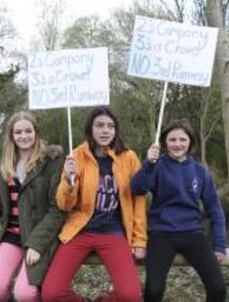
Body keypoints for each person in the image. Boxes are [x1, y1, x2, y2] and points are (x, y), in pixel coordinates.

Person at [42, 106, 147, 302]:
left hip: (113, 232)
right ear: (90, 128)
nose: (105, 130)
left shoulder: (129, 157)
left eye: (110, 126)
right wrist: (69, 180)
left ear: (116, 130)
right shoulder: (77, 155)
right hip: (80, 230)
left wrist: (139, 240)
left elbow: (138, 200)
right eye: (99, 125)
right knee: (52, 294)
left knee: (130, 296)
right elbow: (64, 205)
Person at [0, 111, 65, 302]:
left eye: (28, 131)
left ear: (36, 132)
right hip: (10, 236)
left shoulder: (51, 163)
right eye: (18, 132)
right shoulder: (4, 166)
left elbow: (57, 210)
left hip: (38, 237)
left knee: (25, 294)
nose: (24, 136)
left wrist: (37, 245)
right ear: (11, 135)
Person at [131, 118, 227, 302]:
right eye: (172, 140)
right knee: (153, 290)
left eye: (182, 139)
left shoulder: (200, 171)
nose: (177, 144)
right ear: (165, 142)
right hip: (161, 234)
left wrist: (220, 244)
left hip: (193, 233)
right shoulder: (157, 166)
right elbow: (137, 189)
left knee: (218, 288)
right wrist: (148, 164)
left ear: (190, 141)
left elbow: (214, 208)